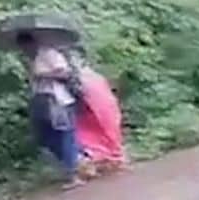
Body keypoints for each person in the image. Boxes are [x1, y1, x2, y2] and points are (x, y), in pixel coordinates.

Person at [16, 32, 84, 189]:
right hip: (43, 100)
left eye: (25, 46)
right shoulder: (31, 59)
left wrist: (43, 74)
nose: (24, 50)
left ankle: (73, 172)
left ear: (31, 43)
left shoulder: (48, 53)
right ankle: (80, 160)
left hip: (59, 99)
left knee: (65, 133)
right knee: (44, 136)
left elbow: (66, 73)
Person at [70, 47, 126, 177]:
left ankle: (106, 159)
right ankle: (110, 158)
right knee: (101, 131)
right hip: (98, 105)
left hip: (95, 104)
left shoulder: (81, 75)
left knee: (96, 132)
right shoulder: (90, 74)